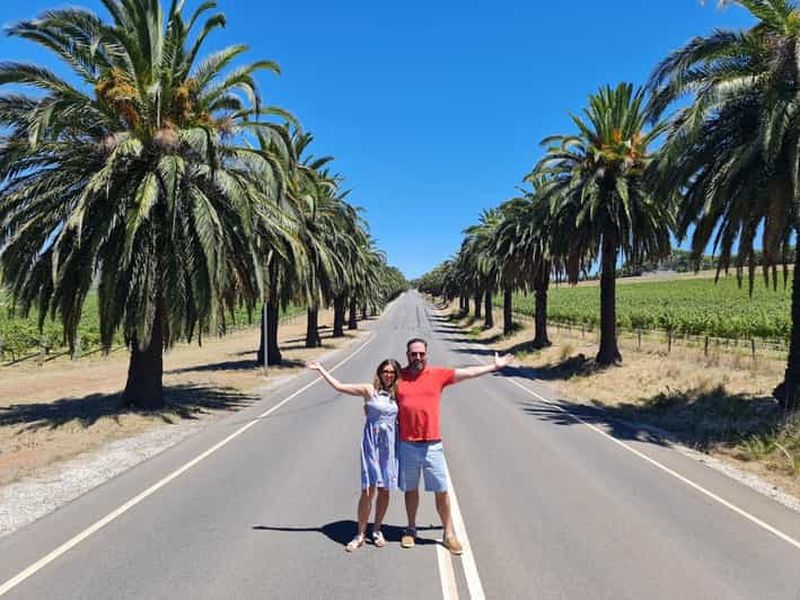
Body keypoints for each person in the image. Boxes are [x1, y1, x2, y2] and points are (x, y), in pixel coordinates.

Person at [397, 337, 513, 555]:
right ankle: (411, 528)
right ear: (408, 355)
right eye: (414, 354)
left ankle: (448, 533)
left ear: (427, 355)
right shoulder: (398, 377)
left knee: (441, 490)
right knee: (410, 489)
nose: (418, 357)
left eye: (421, 354)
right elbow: (378, 392)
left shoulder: (438, 375)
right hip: (407, 444)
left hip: (432, 445)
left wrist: (493, 367)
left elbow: (467, 373)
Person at [307, 359, 402, 552]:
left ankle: (377, 530)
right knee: (368, 490)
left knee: (384, 489)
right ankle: (360, 533)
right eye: (385, 371)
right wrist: (321, 369)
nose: (388, 375)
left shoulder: (398, 394)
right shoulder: (369, 390)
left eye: (392, 372)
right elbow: (339, 386)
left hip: (390, 446)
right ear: (379, 372)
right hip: (372, 444)